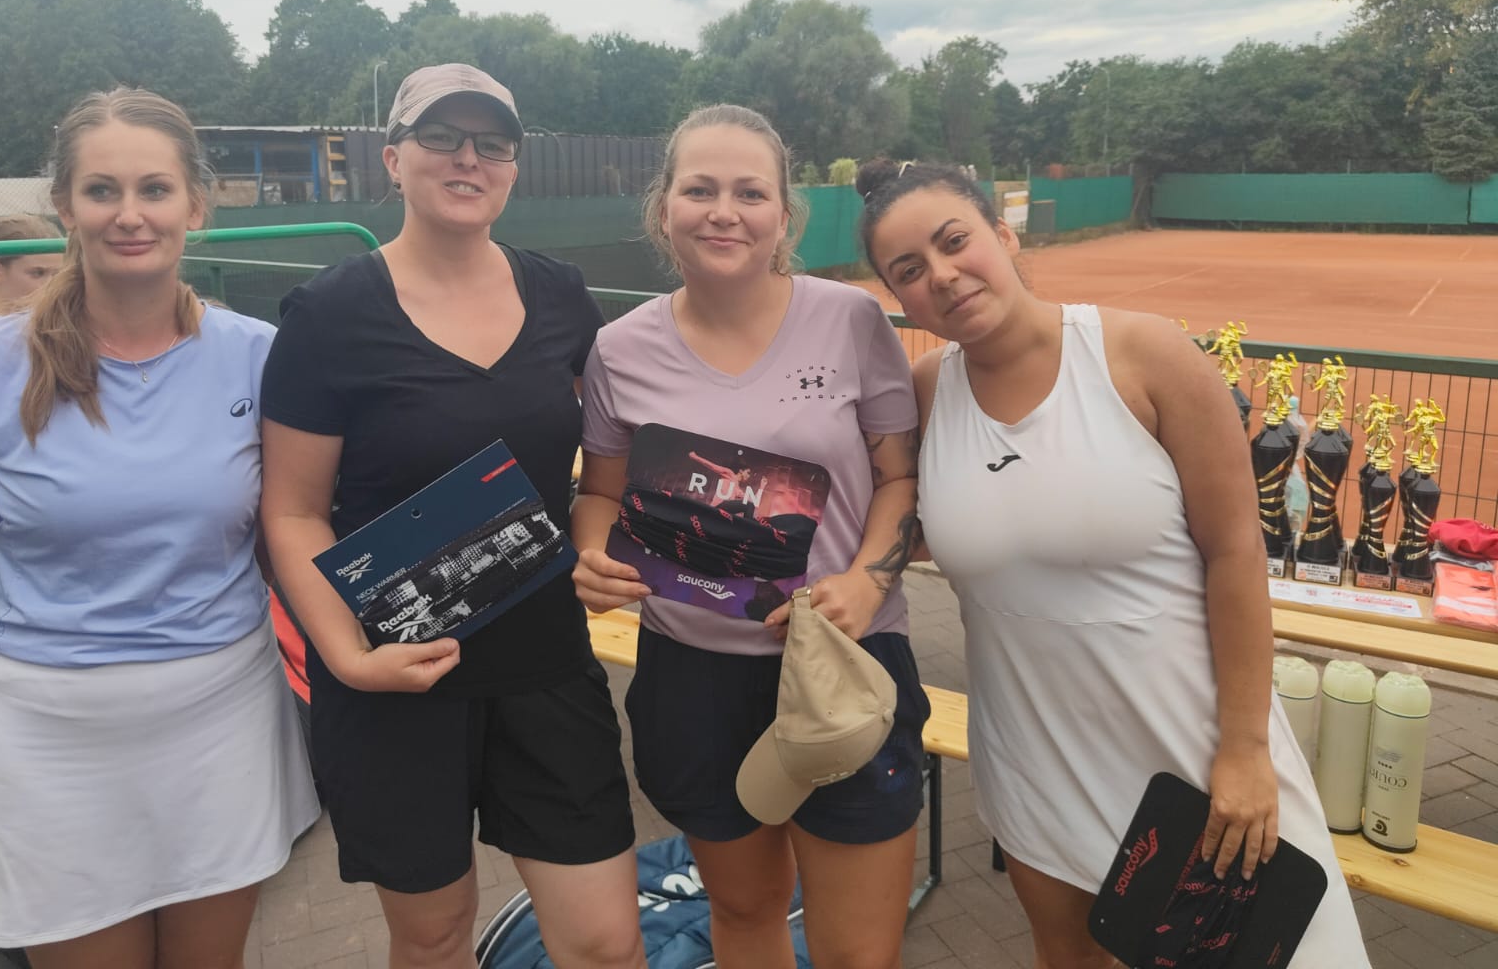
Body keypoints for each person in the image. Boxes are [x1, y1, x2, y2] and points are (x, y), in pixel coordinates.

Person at [856, 158, 1369, 968]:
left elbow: (1236, 554)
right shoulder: (924, 393)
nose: (942, 275)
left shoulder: (1145, 355)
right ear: (898, 298)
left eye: (954, 242)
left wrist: (1245, 749)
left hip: (1193, 748)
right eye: (909, 270)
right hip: (1034, 760)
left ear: (1003, 235)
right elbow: (891, 516)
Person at [0, 88, 319, 969]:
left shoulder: (258, 355)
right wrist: (30, 680)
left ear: (194, 206)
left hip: (223, 722)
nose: (130, 214)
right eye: (102, 190)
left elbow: (293, 528)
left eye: (154, 189)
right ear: (65, 206)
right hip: (50, 741)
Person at [259, 64, 645, 969]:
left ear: (512, 168)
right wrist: (349, 659)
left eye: (492, 144)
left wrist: (600, 544)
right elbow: (294, 512)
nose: (468, 158)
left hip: (546, 667)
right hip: (396, 679)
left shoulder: (562, 295)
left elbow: (607, 472)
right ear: (393, 159)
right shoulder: (328, 314)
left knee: (605, 942)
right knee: (433, 938)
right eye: (441, 137)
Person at [572, 105, 928, 969]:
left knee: (857, 956)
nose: (723, 212)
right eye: (700, 189)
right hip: (691, 679)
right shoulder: (618, 350)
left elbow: (900, 478)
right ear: (664, 208)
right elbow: (602, 495)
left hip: (845, 663)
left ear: (784, 213)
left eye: (749, 192)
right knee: (743, 910)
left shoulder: (851, 320)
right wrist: (592, 556)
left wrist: (867, 582)